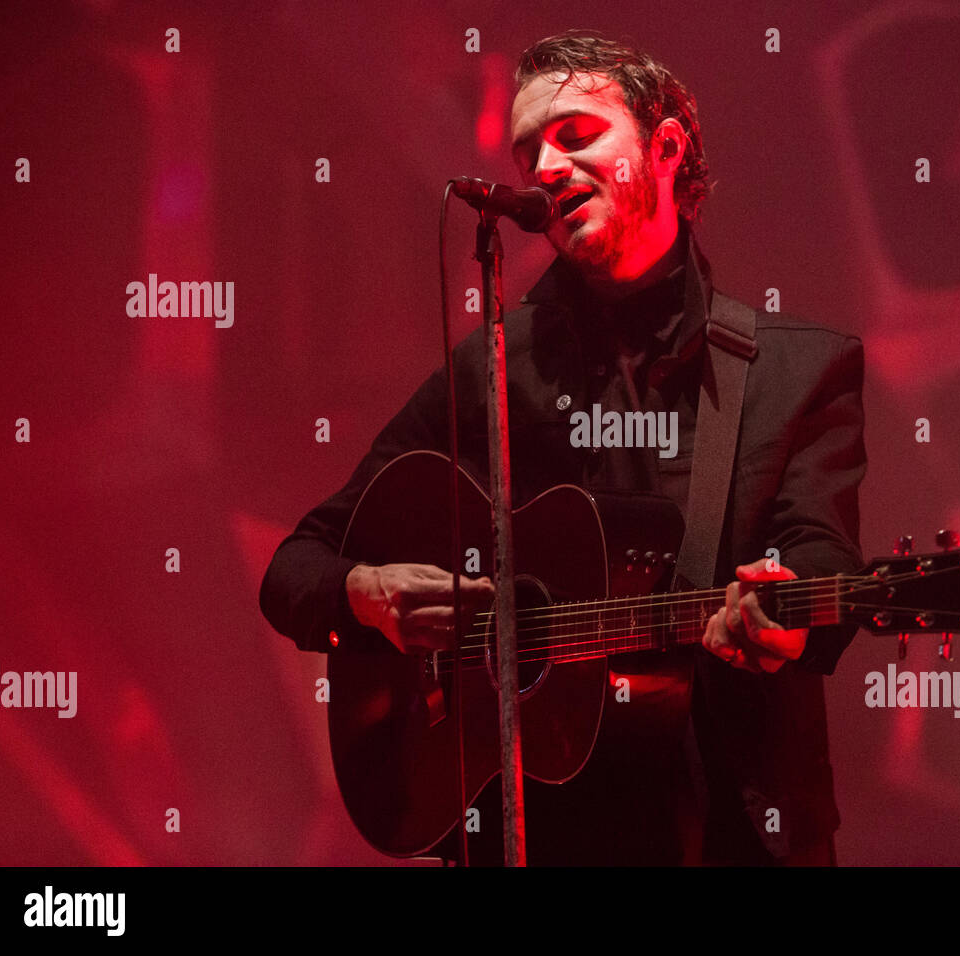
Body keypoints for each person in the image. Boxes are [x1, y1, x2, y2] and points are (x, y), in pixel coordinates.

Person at [259, 30, 867, 866]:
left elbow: (821, 550)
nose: (543, 167)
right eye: (528, 151)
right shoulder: (493, 369)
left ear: (665, 148)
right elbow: (296, 566)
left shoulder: (800, 370)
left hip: (735, 837)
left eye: (576, 136)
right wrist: (367, 595)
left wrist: (788, 609)